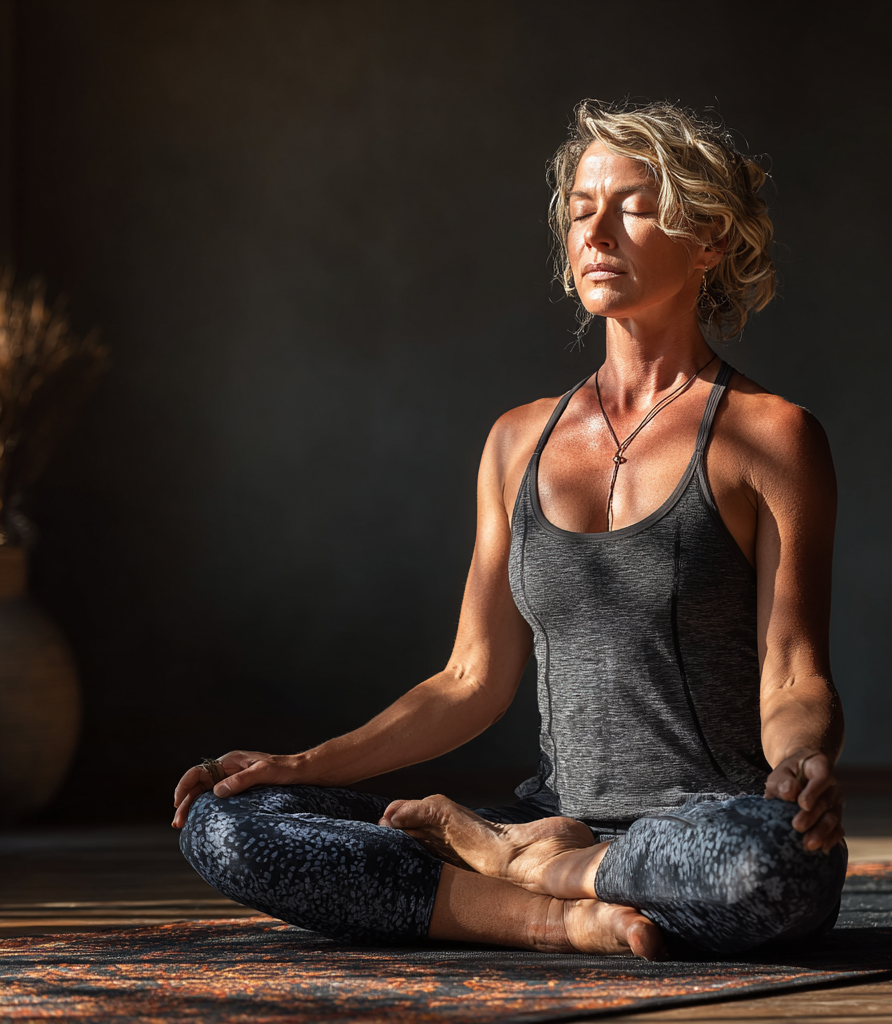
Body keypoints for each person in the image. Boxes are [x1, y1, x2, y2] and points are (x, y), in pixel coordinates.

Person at [173, 99, 847, 960]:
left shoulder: (771, 436)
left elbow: (793, 674)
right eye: (579, 210)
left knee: (774, 866)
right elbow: (469, 678)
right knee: (229, 825)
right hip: (547, 820)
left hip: (699, 832)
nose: (597, 231)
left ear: (709, 237)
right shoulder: (516, 441)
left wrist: (798, 765)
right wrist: (300, 767)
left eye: (633, 207)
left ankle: (530, 872)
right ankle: (557, 913)